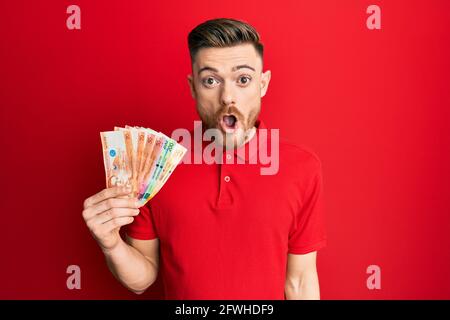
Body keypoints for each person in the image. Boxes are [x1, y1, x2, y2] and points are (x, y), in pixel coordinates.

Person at [82, 18, 327, 299]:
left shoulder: (302, 168)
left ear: (263, 83)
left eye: (243, 79)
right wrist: (111, 244)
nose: (227, 97)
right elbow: (142, 279)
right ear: (193, 87)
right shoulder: (158, 164)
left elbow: (300, 281)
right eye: (210, 80)